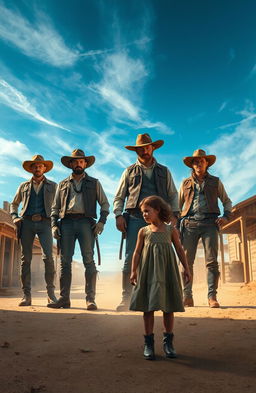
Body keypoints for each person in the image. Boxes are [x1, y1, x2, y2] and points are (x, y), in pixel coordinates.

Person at [114, 133, 179, 311]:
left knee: (161, 256)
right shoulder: (128, 171)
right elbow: (119, 196)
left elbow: (173, 195)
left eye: (147, 147)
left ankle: (161, 297)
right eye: (141, 148)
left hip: (160, 219)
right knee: (130, 258)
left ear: (152, 148)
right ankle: (126, 297)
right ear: (136, 151)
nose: (144, 150)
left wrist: (174, 215)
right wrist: (118, 215)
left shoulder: (164, 171)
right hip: (135, 217)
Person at [130, 196, 190, 360]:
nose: (144, 215)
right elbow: (136, 252)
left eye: (147, 211)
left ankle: (168, 343)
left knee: (168, 306)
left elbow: (179, 249)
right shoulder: (143, 231)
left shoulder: (171, 230)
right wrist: (133, 271)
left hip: (167, 272)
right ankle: (148, 343)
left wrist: (186, 269)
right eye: (143, 212)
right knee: (148, 307)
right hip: (148, 272)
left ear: (157, 210)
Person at [48, 149, 109, 310]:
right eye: (75, 161)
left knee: (89, 260)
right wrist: (54, 224)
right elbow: (55, 207)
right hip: (66, 223)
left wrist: (101, 222)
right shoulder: (62, 184)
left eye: (81, 161)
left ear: (85, 164)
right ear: (70, 164)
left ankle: (90, 299)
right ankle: (64, 299)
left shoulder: (95, 183)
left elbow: (105, 204)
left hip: (86, 223)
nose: (78, 164)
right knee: (65, 262)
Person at [179, 149, 232, 308]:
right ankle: (187, 296)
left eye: (201, 161)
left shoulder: (216, 182)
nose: (198, 163)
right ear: (192, 165)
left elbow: (227, 201)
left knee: (211, 262)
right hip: (189, 224)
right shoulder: (185, 183)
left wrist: (226, 216)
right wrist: (175, 224)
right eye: (195, 161)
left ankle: (212, 297)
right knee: (186, 262)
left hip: (210, 224)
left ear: (207, 163)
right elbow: (177, 205)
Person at [10, 155, 57, 306]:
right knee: (26, 259)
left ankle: (51, 295)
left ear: (44, 168)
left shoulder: (53, 186)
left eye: (40, 166)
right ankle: (26, 296)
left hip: (45, 223)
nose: (38, 168)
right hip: (27, 223)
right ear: (31, 169)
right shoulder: (23, 186)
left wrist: (58, 221)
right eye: (35, 166)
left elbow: (60, 205)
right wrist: (15, 217)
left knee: (48, 257)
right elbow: (14, 204)